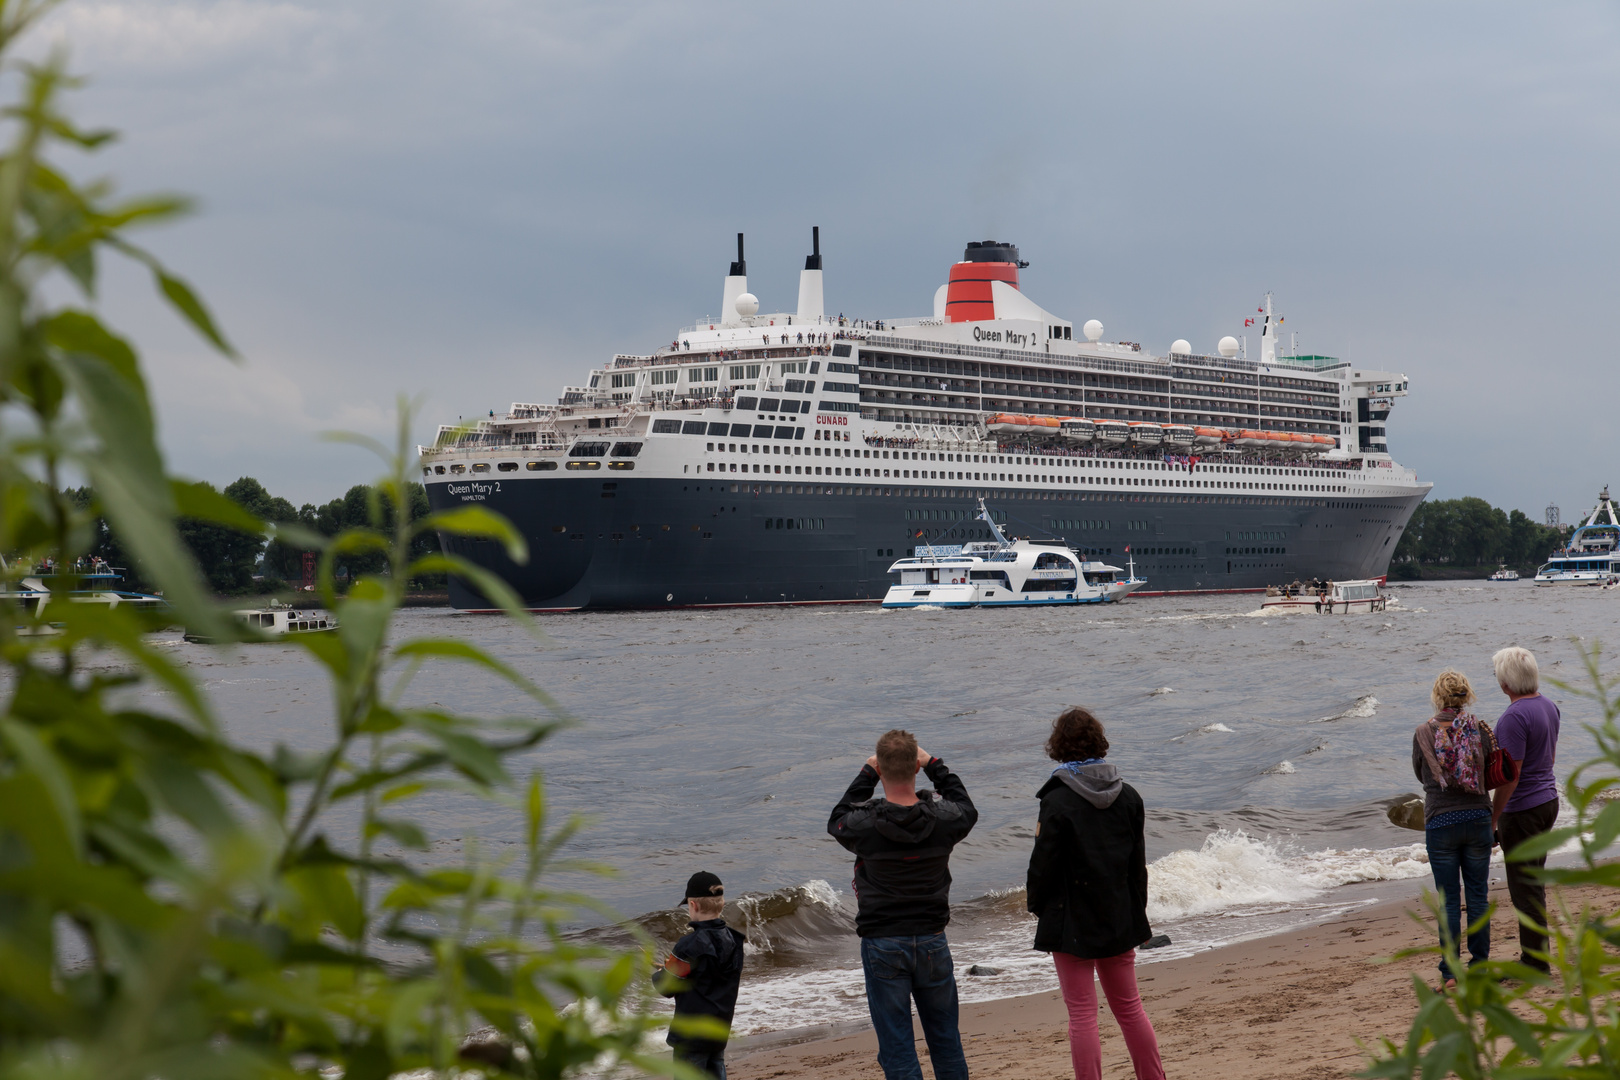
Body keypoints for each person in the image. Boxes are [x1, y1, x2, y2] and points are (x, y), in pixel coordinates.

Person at [828, 730, 977, 1080]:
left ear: (880, 770)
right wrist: (936, 766)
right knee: (945, 1040)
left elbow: (837, 818)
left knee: (897, 1046)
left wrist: (866, 774)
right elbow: (966, 808)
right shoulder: (942, 819)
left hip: (883, 942)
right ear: (915, 767)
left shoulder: (865, 825)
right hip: (931, 939)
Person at [1026, 708, 1164, 1080]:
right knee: (1130, 1008)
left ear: (1059, 747)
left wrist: (1036, 907)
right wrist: (1140, 915)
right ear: (1099, 744)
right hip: (1120, 913)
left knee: (1083, 1015)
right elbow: (1138, 865)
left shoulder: (1056, 799)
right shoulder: (1129, 795)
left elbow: (1043, 866)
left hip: (1071, 920)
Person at [1412, 669, 1493, 986]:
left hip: (1441, 821)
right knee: (1477, 896)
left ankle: (1450, 974)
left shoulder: (1423, 733)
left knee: (1447, 900)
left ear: (1437, 697)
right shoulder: (1479, 729)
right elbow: (1488, 769)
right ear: (1466, 696)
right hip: (1478, 817)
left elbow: (1422, 776)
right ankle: (1480, 968)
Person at [1489, 646, 1562, 974]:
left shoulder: (1512, 718)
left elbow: (1509, 777)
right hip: (1548, 800)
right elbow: (1550, 757)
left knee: (1524, 888)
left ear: (1505, 683)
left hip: (1524, 810)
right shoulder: (1548, 705)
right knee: (1533, 882)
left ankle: (1535, 962)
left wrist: (1493, 819)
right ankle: (1537, 956)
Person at [652, 872, 746, 1079]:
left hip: (691, 1035)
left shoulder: (688, 946)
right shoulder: (735, 940)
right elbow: (711, 975)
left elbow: (666, 988)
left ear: (693, 905)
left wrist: (661, 972)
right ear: (721, 903)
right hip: (718, 1029)